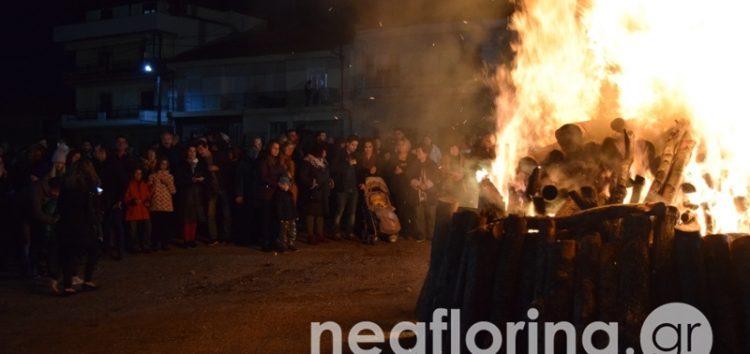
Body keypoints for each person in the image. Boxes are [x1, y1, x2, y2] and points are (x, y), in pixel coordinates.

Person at [56, 159, 100, 295]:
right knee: (94, 249)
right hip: (82, 223)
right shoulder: (86, 188)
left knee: (69, 253)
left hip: (66, 222)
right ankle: (87, 280)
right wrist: (94, 221)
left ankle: (68, 285)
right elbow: (89, 208)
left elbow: (60, 204)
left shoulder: (66, 186)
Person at [297, 143, 332, 245]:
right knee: (311, 213)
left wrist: (329, 180)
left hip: (323, 192)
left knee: (320, 213)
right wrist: (311, 182)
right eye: (324, 150)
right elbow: (302, 176)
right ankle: (310, 235)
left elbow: (326, 174)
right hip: (313, 191)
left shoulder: (324, 162)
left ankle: (320, 235)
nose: (325, 153)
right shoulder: (308, 162)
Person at [175, 145, 207, 248]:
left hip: (197, 194)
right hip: (186, 194)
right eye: (190, 151)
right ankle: (186, 239)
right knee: (186, 217)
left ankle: (192, 239)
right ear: (187, 152)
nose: (192, 153)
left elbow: (206, 176)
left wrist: (202, 179)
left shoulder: (201, 164)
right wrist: (190, 180)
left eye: (194, 151)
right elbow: (179, 180)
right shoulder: (182, 165)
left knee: (194, 218)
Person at [256, 141, 285, 251]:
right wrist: (276, 183)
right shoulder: (263, 161)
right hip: (266, 194)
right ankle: (265, 241)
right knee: (266, 219)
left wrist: (286, 181)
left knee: (275, 219)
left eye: (278, 148)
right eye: (274, 148)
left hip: (276, 194)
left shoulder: (278, 162)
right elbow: (263, 177)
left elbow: (283, 173)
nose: (276, 150)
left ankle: (275, 240)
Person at [408, 144, 441, 241]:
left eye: (419, 152)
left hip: (430, 194)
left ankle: (431, 236)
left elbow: (437, 177)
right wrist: (416, 183)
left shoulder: (432, 164)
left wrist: (427, 184)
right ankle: (421, 235)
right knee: (419, 215)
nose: (417, 153)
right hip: (417, 193)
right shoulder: (414, 164)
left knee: (431, 214)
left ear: (425, 153)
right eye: (417, 151)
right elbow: (409, 175)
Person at [331, 135, 360, 240]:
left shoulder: (355, 155)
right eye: (353, 145)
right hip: (342, 188)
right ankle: (335, 231)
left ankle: (349, 232)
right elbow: (333, 168)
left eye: (356, 145)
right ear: (347, 143)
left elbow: (358, 171)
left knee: (352, 212)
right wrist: (347, 164)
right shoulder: (339, 154)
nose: (354, 147)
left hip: (353, 187)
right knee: (340, 211)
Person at [148, 158, 176, 251]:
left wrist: (168, 183)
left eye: (165, 164)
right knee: (156, 225)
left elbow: (173, 191)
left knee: (165, 225)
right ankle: (155, 243)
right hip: (156, 203)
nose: (163, 166)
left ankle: (165, 243)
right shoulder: (153, 176)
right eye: (162, 163)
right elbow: (149, 190)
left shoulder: (170, 176)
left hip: (166, 204)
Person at [124, 168, 152, 253]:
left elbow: (148, 196)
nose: (138, 175)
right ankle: (135, 246)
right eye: (137, 173)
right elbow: (125, 197)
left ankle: (145, 245)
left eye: (140, 174)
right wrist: (132, 201)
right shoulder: (129, 184)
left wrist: (147, 201)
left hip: (143, 211)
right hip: (133, 210)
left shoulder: (144, 185)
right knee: (133, 231)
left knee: (146, 229)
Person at [274, 176, 298, 252]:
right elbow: (278, 207)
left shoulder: (290, 194)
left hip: (291, 216)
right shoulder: (278, 194)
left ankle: (291, 243)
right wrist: (280, 216)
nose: (286, 186)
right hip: (284, 217)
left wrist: (295, 215)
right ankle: (282, 245)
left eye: (287, 185)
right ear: (280, 185)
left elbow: (293, 206)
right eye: (284, 185)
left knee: (292, 231)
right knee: (283, 232)